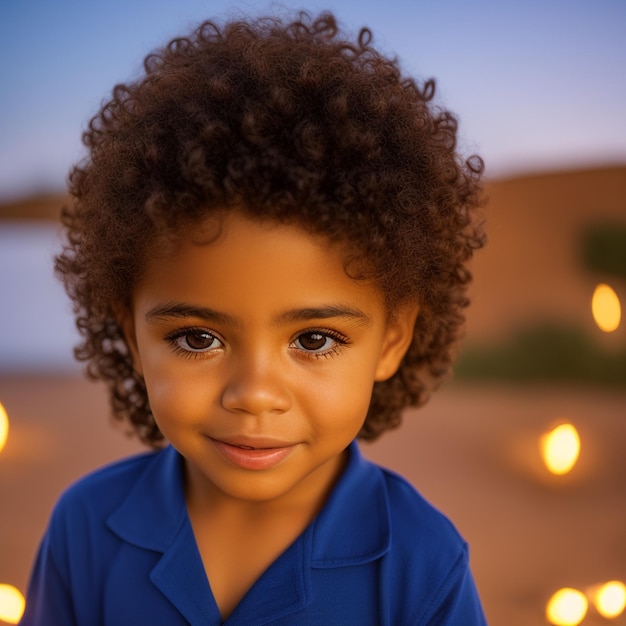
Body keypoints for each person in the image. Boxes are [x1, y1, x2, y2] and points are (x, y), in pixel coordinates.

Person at [20, 11, 487, 625]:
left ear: (392, 337)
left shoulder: (423, 566)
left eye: (314, 338)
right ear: (131, 333)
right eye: (198, 337)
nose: (255, 395)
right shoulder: (86, 527)